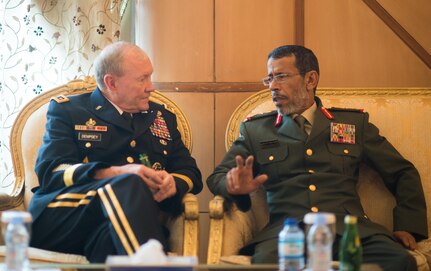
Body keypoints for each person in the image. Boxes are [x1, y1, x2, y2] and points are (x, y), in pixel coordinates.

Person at [206, 45, 428, 270]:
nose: (272, 86)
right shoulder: (256, 130)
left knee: (400, 261)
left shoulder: (352, 125)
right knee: (265, 265)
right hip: (286, 234)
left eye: (281, 76)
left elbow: (402, 172)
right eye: (269, 78)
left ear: (310, 79)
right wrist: (234, 186)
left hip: (350, 230)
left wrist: (407, 226)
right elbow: (217, 177)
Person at [29, 41, 202, 262]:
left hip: (121, 224)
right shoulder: (69, 111)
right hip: (63, 217)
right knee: (129, 183)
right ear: (111, 83)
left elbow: (191, 173)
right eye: (142, 79)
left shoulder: (163, 117)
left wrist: (171, 183)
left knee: (110, 241)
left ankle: (146, 261)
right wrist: (115, 174)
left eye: (150, 76)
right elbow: (51, 172)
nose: (151, 87)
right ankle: (151, 262)